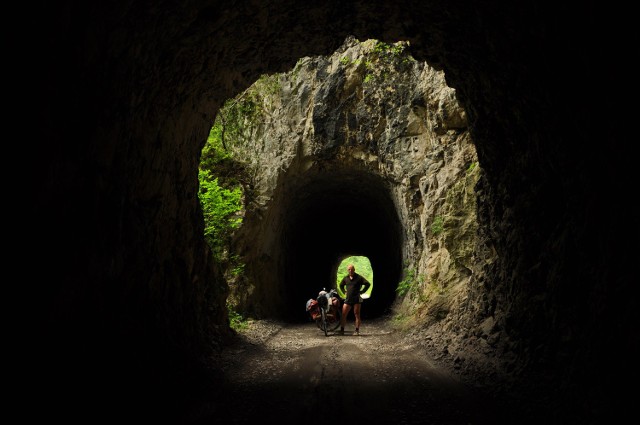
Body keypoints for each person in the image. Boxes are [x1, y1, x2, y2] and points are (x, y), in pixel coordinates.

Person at [338, 263, 371, 335]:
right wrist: (344, 292)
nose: (350, 271)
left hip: (357, 299)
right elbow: (341, 285)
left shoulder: (359, 277)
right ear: (347, 270)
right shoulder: (346, 278)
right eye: (349, 269)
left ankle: (357, 330)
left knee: (357, 314)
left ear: (354, 270)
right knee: (343, 314)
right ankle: (342, 330)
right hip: (348, 299)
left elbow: (368, 284)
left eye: (352, 269)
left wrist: (362, 291)